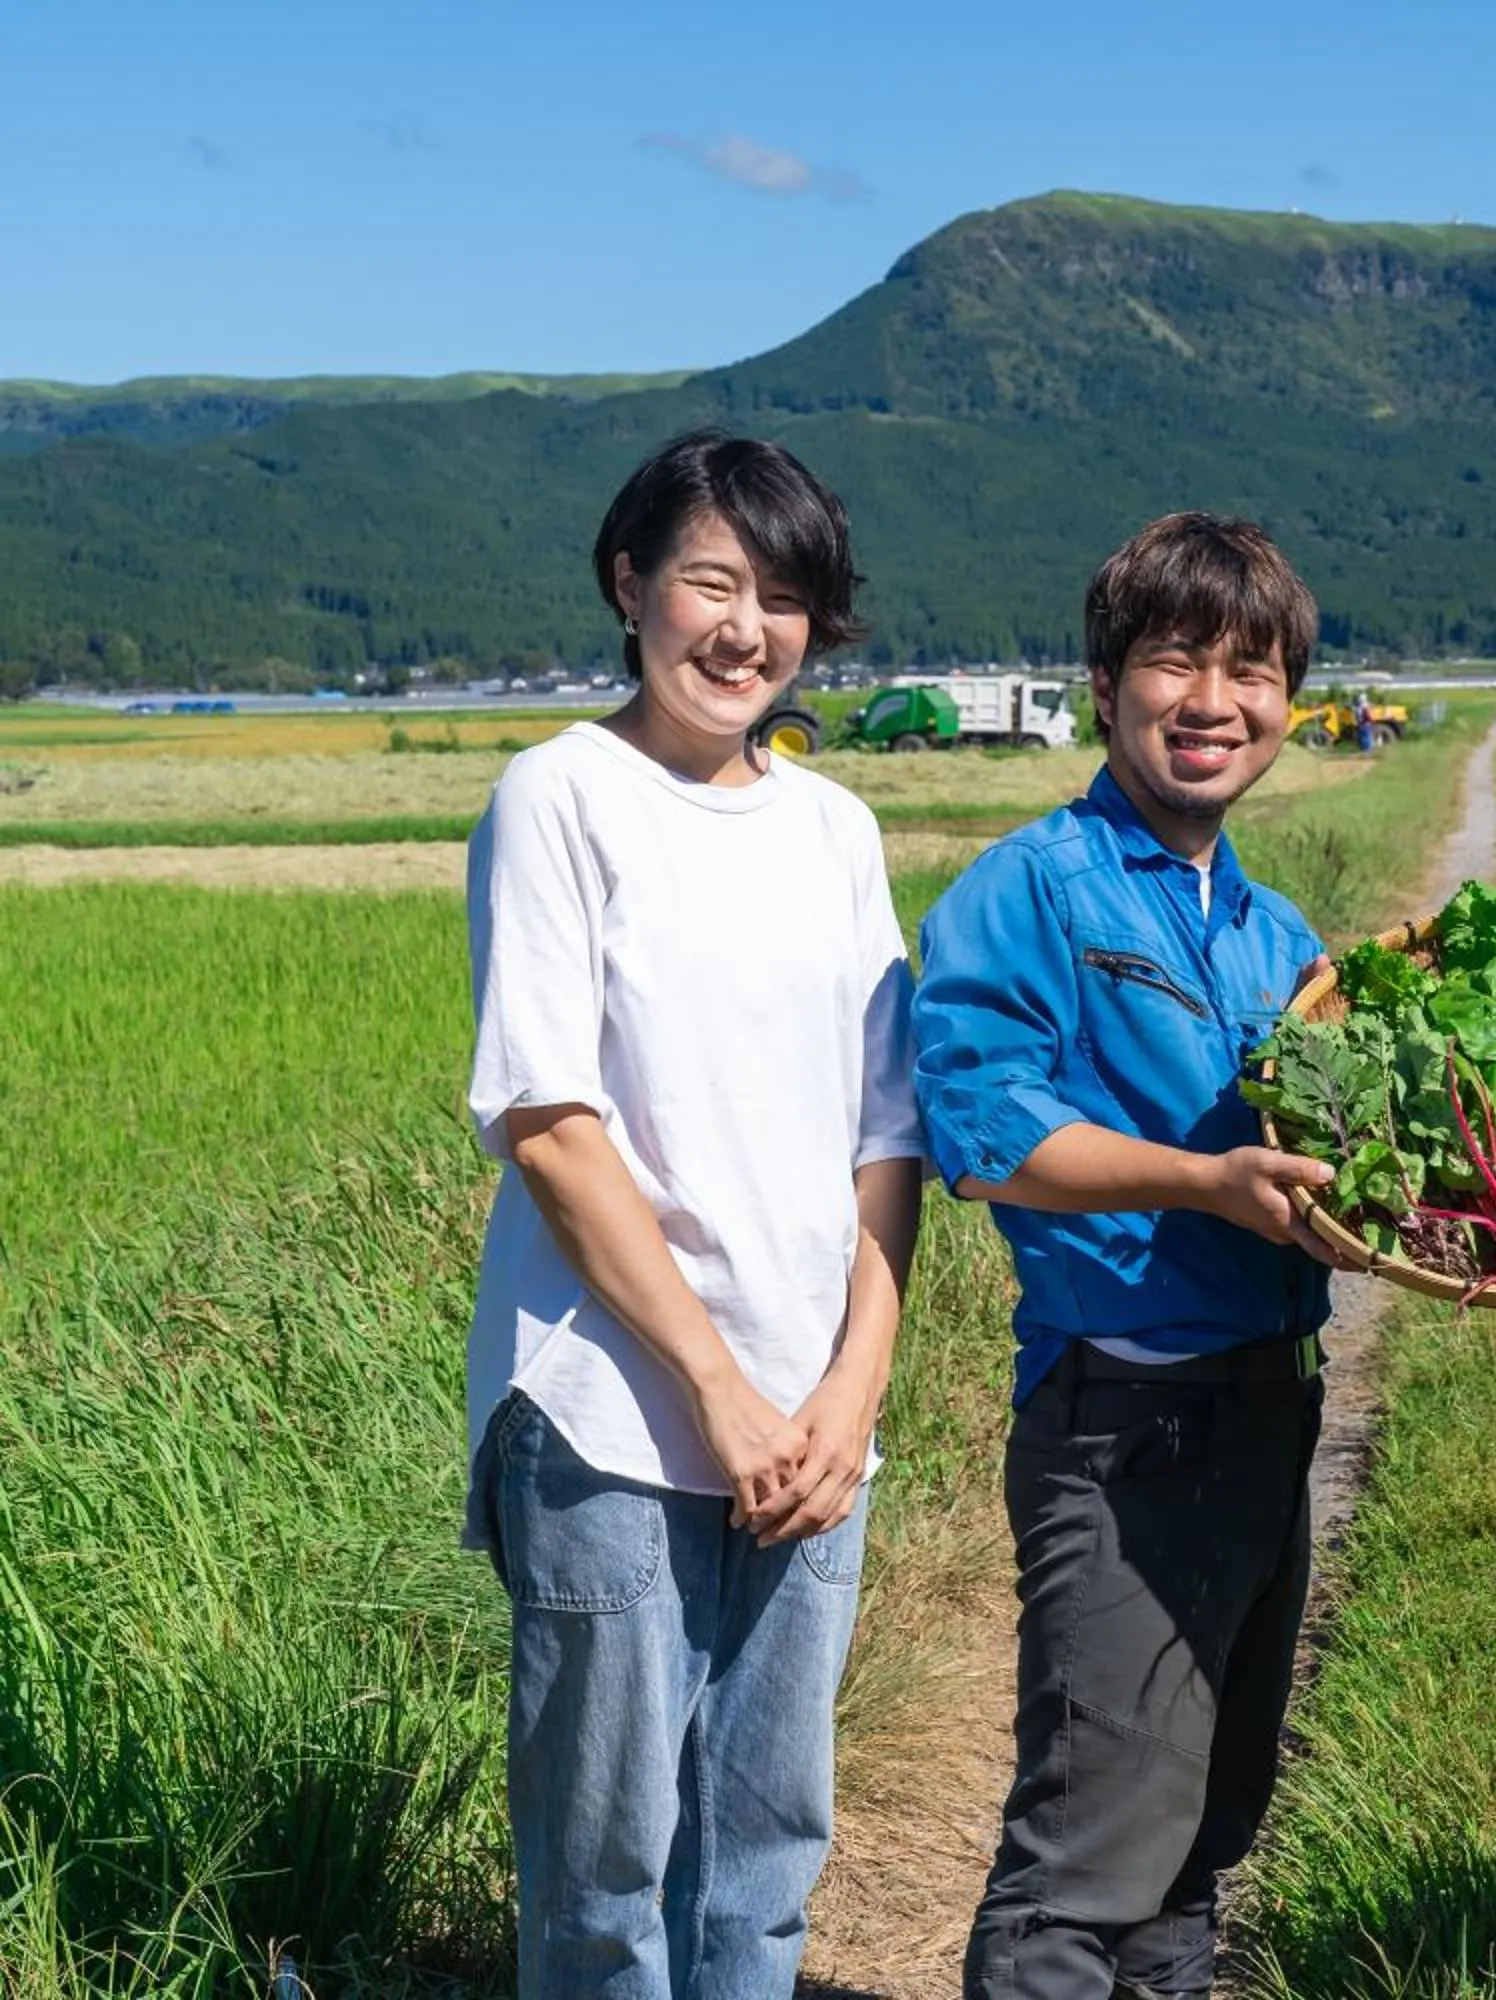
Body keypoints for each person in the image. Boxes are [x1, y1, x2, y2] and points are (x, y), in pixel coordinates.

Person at [461, 428, 923, 1995]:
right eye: (712, 583)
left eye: (782, 597)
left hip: (812, 1419)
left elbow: (887, 1138)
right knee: (604, 1883)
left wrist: (852, 1391)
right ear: (628, 583)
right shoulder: (559, 797)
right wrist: (717, 1392)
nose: (745, 630)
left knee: (765, 1861)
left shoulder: (835, 829)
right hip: (611, 1413)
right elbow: (553, 1129)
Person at [910, 512, 1353, 2000]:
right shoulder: (1034, 889)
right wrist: (1206, 1185)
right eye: (1176, 662)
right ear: (1105, 687)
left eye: (1252, 672)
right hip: (1127, 1422)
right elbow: (983, 1131)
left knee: (1198, 1841)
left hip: (1269, 1409)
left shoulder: (1278, 934)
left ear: (1289, 704)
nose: (1213, 702)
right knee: (1084, 1866)